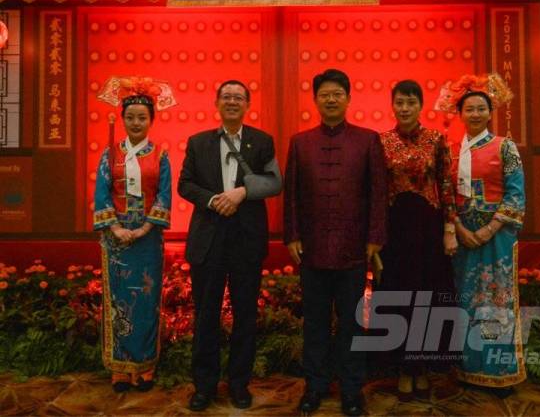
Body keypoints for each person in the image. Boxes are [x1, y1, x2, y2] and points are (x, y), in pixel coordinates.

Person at [284, 68, 387, 416]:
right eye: (324, 94)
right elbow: (292, 196)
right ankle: (314, 387)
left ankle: (351, 389)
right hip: (311, 250)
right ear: (315, 100)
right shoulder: (300, 142)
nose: (330, 99)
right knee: (313, 322)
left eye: (337, 94)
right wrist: (292, 235)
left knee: (352, 322)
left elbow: (377, 194)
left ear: (348, 98)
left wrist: (374, 239)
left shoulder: (368, 140)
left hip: (354, 249)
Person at [178, 79, 282, 412]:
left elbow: (274, 183)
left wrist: (242, 192)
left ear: (248, 104)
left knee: (245, 316)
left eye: (239, 97)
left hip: (246, 241)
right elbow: (184, 184)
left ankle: (239, 384)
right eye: (227, 96)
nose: (233, 101)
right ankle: (204, 386)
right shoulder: (198, 143)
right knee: (206, 316)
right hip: (208, 241)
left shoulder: (262, 141)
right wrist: (212, 200)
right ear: (217, 103)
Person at [435, 73, 526, 398]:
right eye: (468, 109)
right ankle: (468, 368)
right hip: (462, 237)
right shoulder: (449, 150)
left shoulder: (506, 147)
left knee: (496, 300)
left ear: (490, 113)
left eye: (480, 109)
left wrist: (488, 229)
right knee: (465, 300)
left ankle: (500, 372)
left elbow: (516, 195)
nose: (474, 114)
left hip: (497, 236)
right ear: (459, 114)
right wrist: (459, 228)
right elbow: (445, 194)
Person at [377, 80, 458, 401]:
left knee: (428, 296)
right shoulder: (381, 142)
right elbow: (376, 192)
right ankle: (403, 368)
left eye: (411, 102)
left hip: (428, 230)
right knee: (399, 298)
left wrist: (450, 228)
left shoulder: (436, 140)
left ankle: (422, 366)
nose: (405, 108)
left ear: (420, 105)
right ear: (392, 105)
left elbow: (446, 186)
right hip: (394, 232)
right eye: (399, 102)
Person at [94, 77, 174, 393]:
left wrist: (143, 228)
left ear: (151, 120)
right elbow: (101, 193)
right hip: (115, 240)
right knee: (119, 300)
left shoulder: (161, 155)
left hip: (148, 237)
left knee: (146, 300)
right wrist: (114, 227)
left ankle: (144, 365)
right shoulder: (109, 155)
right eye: (131, 117)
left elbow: (165, 195)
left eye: (142, 117)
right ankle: (120, 365)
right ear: (123, 119)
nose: (136, 122)